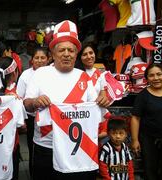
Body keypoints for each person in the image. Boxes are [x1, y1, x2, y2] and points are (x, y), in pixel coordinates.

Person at [23, 20, 110, 180]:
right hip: (46, 146)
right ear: (53, 54)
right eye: (61, 49)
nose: (66, 53)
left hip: (78, 148)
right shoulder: (40, 74)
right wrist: (35, 102)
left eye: (71, 50)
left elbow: (94, 105)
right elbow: (27, 105)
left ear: (76, 53)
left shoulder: (83, 76)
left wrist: (102, 100)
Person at [16, 47, 50, 177]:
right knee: (33, 149)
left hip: (51, 119)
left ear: (48, 59)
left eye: (43, 58)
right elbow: (19, 98)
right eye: (37, 58)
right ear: (32, 60)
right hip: (32, 119)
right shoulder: (26, 75)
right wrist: (22, 120)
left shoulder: (53, 73)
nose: (40, 61)